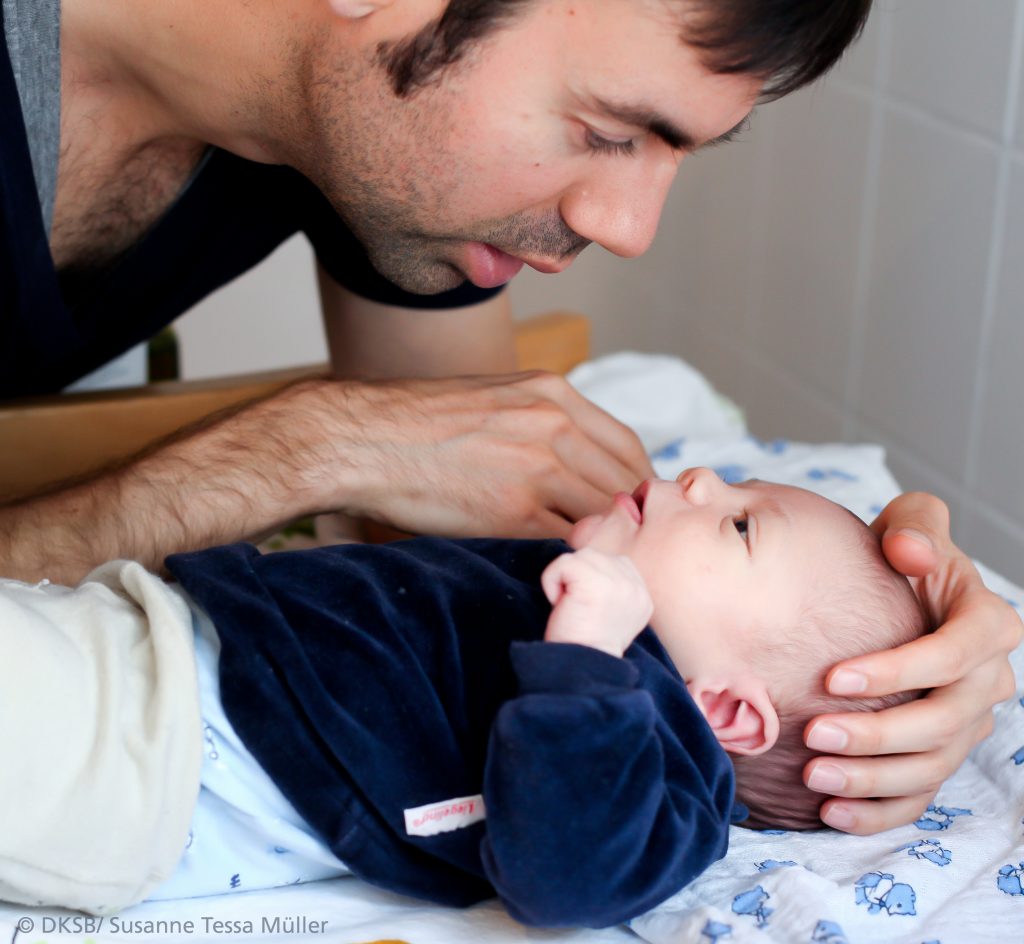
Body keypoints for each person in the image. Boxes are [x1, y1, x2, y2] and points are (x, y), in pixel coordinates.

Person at [0, 0, 1018, 839]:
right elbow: (386, 443)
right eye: (606, 132)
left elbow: (471, 514)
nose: (629, 229)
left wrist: (883, 587)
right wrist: (307, 445)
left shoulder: (350, 139)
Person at [0, 470, 937, 927]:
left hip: (150, 753)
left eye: (737, 522)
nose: (699, 477)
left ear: (728, 710)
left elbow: (569, 873)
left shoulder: (656, 759)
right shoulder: (576, 586)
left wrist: (590, 657)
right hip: (145, 642)